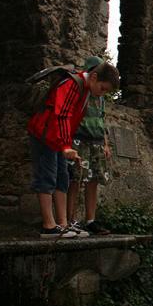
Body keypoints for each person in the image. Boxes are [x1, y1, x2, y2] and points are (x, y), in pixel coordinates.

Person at [27, 61, 120, 238]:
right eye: (103, 88)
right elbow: (62, 115)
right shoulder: (72, 84)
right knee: (47, 176)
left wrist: (65, 144)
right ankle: (48, 225)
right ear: (94, 77)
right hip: (45, 134)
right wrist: (66, 146)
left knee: (63, 177)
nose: (102, 93)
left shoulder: (85, 89)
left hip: (58, 138)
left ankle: (63, 224)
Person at [66, 57, 113, 237]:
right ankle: (70, 220)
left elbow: (102, 119)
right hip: (79, 139)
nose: (103, 92)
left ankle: (91, 220)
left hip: (96, 141)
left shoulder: (100, 98)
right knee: (75, 179)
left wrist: (105, 144)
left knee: (93, 180)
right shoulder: (80, 90)